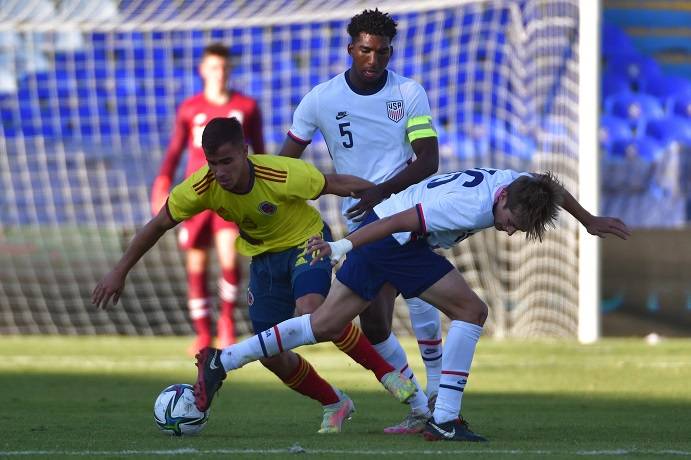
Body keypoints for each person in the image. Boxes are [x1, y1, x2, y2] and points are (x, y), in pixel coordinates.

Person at [192, 167, 631, 441]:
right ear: (500, 201)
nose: (510, 231)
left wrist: (588, 220)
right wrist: (341, 247)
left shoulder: (518, 185)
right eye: (509, 223)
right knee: (472, 312)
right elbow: (400, 221)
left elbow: (549, 184)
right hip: (394, 240)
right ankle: (444, 416)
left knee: (322, 325)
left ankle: (223, 360)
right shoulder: (466, 207)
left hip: (387, 236)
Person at [93, 117, 417, 434]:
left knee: (312, 311)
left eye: (226, 161)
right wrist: (119, 271)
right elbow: (158, 223)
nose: (219, 172)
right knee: (271, 354)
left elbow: (338, 183)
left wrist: (394, 202)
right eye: (212, 163)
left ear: (245, 151)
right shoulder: (201, 186)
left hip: (307, 241)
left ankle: (386, 373)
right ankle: (335, 403)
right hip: (263, 259)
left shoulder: (279, 172)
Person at [279, 8, 442, 433]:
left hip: (406, 207)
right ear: (350, 48)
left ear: (391, 52)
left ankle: (438, 400)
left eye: (383, 53)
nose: (374, 61)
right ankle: (423, 404)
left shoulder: (408, 92)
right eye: (366, 51)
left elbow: (428, 159)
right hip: (363, 221)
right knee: (373, 324)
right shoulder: (321, 99)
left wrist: (381, 192)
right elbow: (285, 165)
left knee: (420, 292)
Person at [151, 43, 265, 355]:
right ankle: (203, 334)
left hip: (231, 194)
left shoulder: (247, 106)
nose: (220, 73)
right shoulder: (190, 108)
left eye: (224, 68)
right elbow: (175, 150)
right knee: (197, 264)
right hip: (197, 195)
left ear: (230, 70)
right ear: (203, 70)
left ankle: (226, 322)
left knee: (230, 259)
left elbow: (261, 149)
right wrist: (162, 182)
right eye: (214, 67)